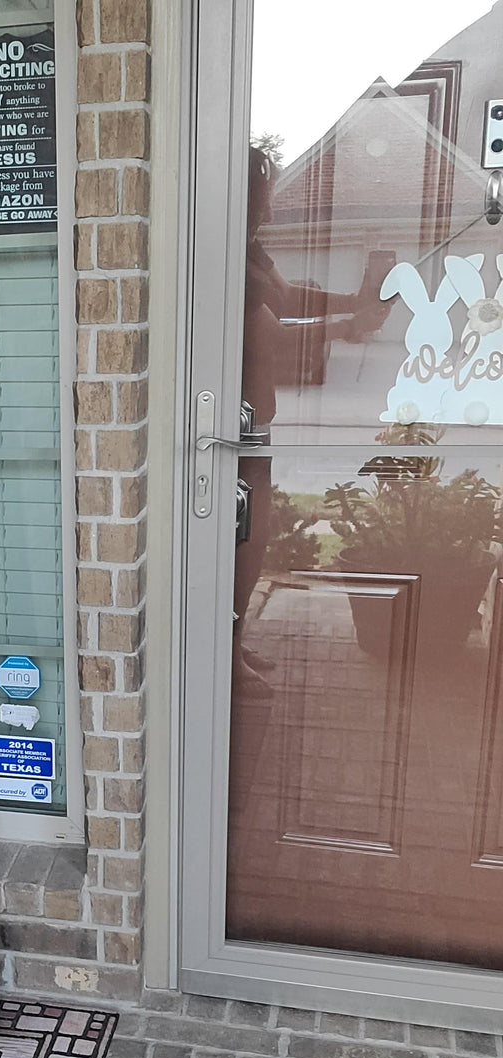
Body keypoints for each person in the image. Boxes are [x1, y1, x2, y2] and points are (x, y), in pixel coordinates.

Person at [235, 146, 391, 695]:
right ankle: (227, 655)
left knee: (253, 539)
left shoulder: (250, 252)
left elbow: (286, 295)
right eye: (264, 198)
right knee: (244, 543)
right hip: (234, 428)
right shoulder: (224, 251)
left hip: (256, 423)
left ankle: (233, 641)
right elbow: (272, 337)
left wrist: (355, 298)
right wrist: (347, 325)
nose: (271, 212)